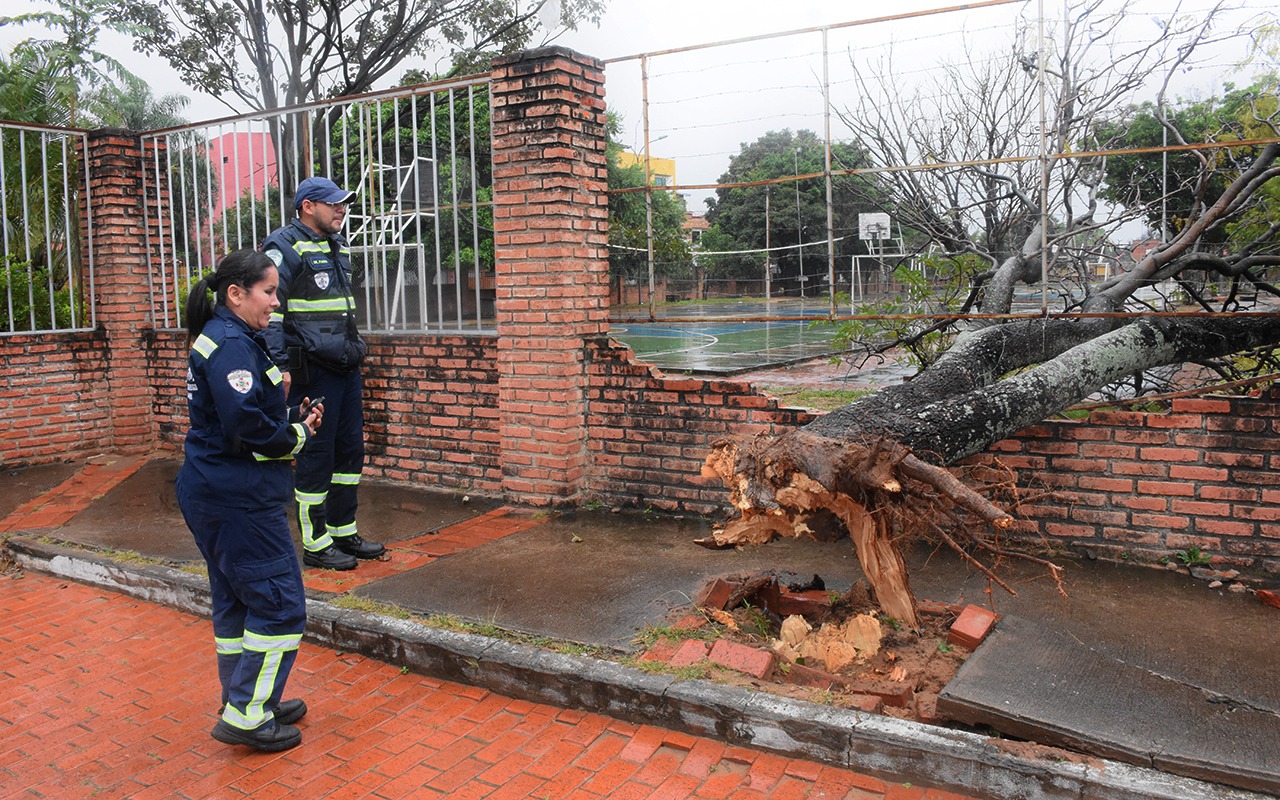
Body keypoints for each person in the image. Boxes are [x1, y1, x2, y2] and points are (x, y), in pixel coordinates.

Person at [176, 249, 322, 752]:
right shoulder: (233, 345)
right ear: (236, 294)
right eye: (269, 292)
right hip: (235, 498)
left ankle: (250, 696)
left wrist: (283, 411)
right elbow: (245, 426)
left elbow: (243, 413)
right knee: (280, 606)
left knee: (239, 602)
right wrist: (296, 436)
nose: (276, 303)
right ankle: (246, 714)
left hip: (216, 490)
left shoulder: (228, 338)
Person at [262, 176, 385, 571]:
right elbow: (271, 313)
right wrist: (280, 366)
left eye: (343, 203)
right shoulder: (283, 245)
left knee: (349, 451)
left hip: (345, 364)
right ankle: (316, 543)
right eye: (333, 204)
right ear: (307, 206)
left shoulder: (337, 244)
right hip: (312, 370)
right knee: (317, 455)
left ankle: (342, 530)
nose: (341, 209)